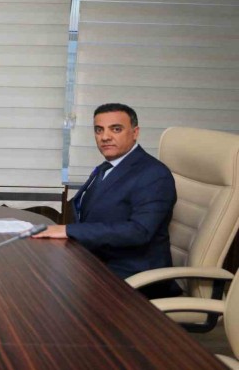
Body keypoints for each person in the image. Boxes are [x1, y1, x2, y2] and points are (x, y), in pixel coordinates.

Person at [33, 103, 179, 299]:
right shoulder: (107, 167)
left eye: (116, 129)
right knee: (38, 278)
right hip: (97, 262)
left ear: (135, 133)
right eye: (99, 130)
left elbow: (139, 231)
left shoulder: (153, 174)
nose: (105, 137)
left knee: (49, 297)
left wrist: (68, 230)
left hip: (134, 277)